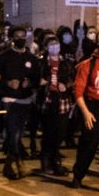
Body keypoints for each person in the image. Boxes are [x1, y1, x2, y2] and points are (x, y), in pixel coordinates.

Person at [0, 26, 39, 180]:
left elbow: (37, 78)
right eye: (17, 36)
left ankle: (8, 165)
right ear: (12, 39)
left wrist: (29, 83)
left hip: (25, 100)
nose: (21, 38)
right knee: (14, 133)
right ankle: (19, 162)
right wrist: (7, 83)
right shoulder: (3, 58)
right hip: (9, 100)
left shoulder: (32, 59)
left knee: (17, 134)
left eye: (23, 36)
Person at [39, 34, 76, 175]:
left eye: (56, 44)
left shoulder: (66, 63)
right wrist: (44, 82)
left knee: (60, 132)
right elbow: (36, 80)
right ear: (46, 47)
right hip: (48, 101)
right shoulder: (42, 63)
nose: (54, 46)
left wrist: (66, 85)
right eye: (51, 44)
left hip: (63, 101)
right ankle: (47, 160)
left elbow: (73, 80)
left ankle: (55, 159)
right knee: (49, 132)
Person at [71, 44, 99, 188]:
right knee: (89, 145)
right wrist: (86, 112)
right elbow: (78, 92)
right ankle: (78, 175)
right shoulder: (88, 65)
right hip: (92, 108)